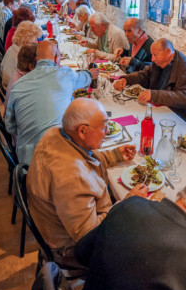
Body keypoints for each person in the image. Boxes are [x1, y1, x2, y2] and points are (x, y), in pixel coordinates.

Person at [27, 98, 148, 269]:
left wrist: (114, 155)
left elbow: (84, 158)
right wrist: (128, 203)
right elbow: (89, 237)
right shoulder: (71, 177)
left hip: (60, 224)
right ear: (82, 130)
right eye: (103, 127)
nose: (106, 132)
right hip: (70, 249)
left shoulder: (56, 134)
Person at [4, 40, 100, 164]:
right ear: (56, 58)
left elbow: (10, 127)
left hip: (25, 160)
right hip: (56, 163)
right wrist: (90, 73)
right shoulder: (65, 74)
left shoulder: (18, 85)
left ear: (37, 59)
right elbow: (85, 77)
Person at [113, 38, 186, 123]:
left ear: (168, 52)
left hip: (179, 117)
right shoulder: (159, 62)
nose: (152, 59)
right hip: (159, 108)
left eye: (155, 55)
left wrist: (155, 95)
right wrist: (126, 79)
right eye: (152, 55)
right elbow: (144, 75)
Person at [1, 21, 42, 91]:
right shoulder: (22, 56)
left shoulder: (13, 48)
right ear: (29, 39)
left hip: (9, 87)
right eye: (35, 39)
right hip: (16, 91)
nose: (36, 42)